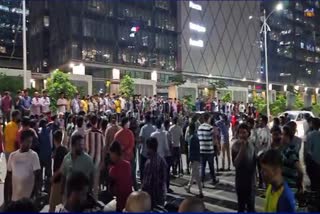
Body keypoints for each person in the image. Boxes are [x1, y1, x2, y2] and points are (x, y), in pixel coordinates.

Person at [7, 129, 41, 202]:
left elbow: (37, 177)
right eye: (28, 141)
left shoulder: (34, 156)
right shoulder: (13, 156)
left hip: (28, 200)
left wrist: (36, 194)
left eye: (31, 142)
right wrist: (7, 198)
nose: (30, 144)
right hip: (14, 199)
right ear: (21, 141)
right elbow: (8, 178)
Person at [231, 123, 256, 212]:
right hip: (240, 181)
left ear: (248, 133)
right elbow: (235, 164)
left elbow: (254, 161)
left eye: (244, 133)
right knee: (241, 207)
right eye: (240, 133)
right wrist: (242, 148)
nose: (242, 135)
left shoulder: (252, 144)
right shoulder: (235, 146)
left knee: (251, 207)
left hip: (251, 181)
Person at [60, 134, 95, 199]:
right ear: (73, 145)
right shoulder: (66, 158)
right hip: (68, 195)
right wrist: (62, 192)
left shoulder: (88, 160)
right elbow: (63, 176)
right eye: (79, 145)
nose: (82, 147)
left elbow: (91, 177)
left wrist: (89, 192)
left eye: (82, 144)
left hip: (82, 196)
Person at [142, 137, 167, 208]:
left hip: (151, 197)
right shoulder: (162, 160)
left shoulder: (149, 163)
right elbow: (164, 178)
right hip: (160, 195)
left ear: (148, 147)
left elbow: (146, 183)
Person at [84, 114, 105, 199]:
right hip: (98, 161)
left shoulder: (87, 134)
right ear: (97, 122)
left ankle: (87, 199)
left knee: (88, 182)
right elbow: (103, 149)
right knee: (96, 183)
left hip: (88, 161)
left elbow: (85, 149)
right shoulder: (101, 134)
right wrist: (103, 161)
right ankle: (95, 200)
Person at [109, 141, 132, 212]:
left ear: (115, 153)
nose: (110, 156)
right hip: (129, 201)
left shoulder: (113, 170)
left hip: (120, 203)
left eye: (111, 154)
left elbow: (112, 190)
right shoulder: (128, 165)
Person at [49, 130, 68, 212]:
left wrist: (53, 177)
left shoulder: (58, 152)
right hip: (65, 180)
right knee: (64, 203)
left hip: (58, 181)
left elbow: (60, 168)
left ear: (54, 140)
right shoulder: (65, 150)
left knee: (52, 204)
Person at [197, 113, 219, 186]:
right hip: (209, 149)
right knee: (211, 166)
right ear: (208, 118)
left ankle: (202, 181)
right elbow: (214, 139)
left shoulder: (199, 127)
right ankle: (213, 179)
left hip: (201, 149)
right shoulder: (210, 127)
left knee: (202, 166)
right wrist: (217, 148)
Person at [281, 126, 304, 191]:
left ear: (287, 136)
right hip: (285, 186)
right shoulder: (283, 150)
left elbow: (300, 170)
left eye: (282, 134)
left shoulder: (290, 151)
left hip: (290, 187)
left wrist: (299, 185)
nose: (280, 137)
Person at [185, 123, 203, 198]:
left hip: (194, 159)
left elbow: (191, 151)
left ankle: (200, 191)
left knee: (196, 176)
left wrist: (190, 160)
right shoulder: (196, 137)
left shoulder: (192, 138)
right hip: (197, 158)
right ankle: (188, 187)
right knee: (193, 174)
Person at [139, 113, 155, 181]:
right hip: (151, 152)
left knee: (142, 168)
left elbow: (141, 139)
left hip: (144, 151)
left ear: (145, 119)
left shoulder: (143, 128)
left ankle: (143, 181)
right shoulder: (154, 128)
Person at [305, 117, 320, 192]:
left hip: (313, 163)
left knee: (314, 184)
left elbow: (308, 151)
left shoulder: (310, 135)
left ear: (312, 124)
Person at [38, 119, 52, 193]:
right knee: (48, 172)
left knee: (40, 173)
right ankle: (48, 188)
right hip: (48, 154)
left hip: (41, 155)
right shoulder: (48, 130)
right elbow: (51, 141)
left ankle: (40, 188)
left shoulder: (38, 131)